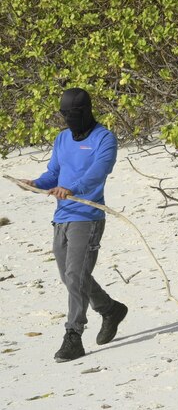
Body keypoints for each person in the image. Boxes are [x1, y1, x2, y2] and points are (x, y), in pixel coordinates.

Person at [20, 88, 128, 363]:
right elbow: (54, 172)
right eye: (65, 114)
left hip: (88, 216)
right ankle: (109, 309)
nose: (69, 119)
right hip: (62, 215)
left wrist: (72, 188)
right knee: (71, 277)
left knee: (76, 277)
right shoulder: (62, 138)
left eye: (74, 114)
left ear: (87, 111)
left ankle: (73, 335)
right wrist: (38, 183)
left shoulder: (104, 138)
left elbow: (97, 173)